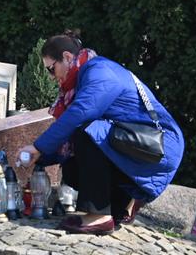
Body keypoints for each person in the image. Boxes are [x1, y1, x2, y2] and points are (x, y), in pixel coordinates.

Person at [19, 31, 184, 235]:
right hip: (136, 142)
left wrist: (38, 147)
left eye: (51, 69)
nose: (52, 77)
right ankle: (116, 209)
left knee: (88, 134)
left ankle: (99, 216)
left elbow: (80, 113)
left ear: (67, 57)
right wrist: (41, 157)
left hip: (160, 146)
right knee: (72, 165)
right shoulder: (88, 75)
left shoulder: (99, 71)